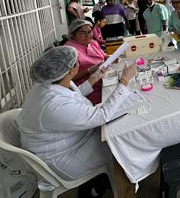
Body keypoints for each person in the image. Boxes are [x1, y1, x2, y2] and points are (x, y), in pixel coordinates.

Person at [16, 47, 137, 196]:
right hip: (61, 161)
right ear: (71, 71)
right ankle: (101, 188)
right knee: (121, 141)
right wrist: (125, 81)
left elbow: (73, 96)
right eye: (76, 62)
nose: (79, 63)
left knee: (116, 129)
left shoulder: (45, 86)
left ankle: (98, 182)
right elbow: (102, 115)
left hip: (63, 142)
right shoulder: (52, 106)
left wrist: (96, 76)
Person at [65, 19, 108, 104]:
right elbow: (69, 79)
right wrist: (90, 71)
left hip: (103, 77)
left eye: (89, 32)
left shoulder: (92, 42)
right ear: (73, 34)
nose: (88, 35)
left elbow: (103, 56)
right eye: (82, 33)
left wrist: (110, 57)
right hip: (89, 88)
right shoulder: (69, 51)